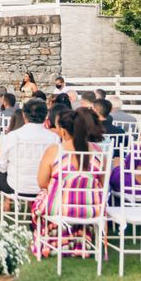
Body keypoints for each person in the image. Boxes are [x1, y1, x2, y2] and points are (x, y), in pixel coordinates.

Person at [32, 108, 105, 258]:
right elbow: (102, 185)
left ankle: (53, 241)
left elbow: (42, 182)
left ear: (63, 131)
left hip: (60, 208)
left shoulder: (55, 151)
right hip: (92, 208)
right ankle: (79, 241)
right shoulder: (98, 151)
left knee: (41, 198)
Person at [0, 99, 58, 222]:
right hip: (45, 187)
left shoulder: (12, 136)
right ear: (46, 115)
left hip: (16, 186)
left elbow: (1, 167)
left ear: (24, 115)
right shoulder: (54, 138)